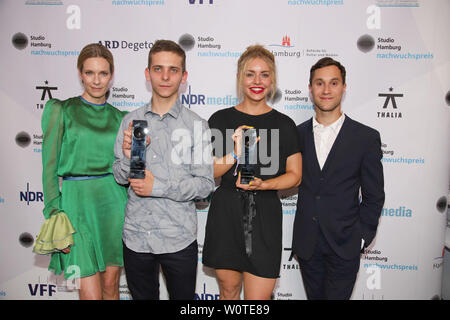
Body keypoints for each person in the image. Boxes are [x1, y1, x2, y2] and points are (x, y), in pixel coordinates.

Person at [113, 39, 215, 300]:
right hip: (137, 237)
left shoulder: (197, 125)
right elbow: (119, 176)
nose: (166, 76)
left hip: (178, 238)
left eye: (173, 70)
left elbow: (205, 184)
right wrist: (127, 157)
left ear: (184, 76)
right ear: (147, 74)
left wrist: (157, 187)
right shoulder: (130, 120)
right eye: (158, 69)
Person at [202, 45, 302, 300]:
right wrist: (235, 153)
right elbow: (209, 170)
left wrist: (263, 185)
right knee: (228, 292)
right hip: (226, 213)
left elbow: (295, 175)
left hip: (265, 213)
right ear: (240, 78)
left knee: (258, 300)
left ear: (273, 80)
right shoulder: (219, 120)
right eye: (250, 74)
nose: (257, 81)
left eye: (264, 74)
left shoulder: (285, 124)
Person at [34, 43, 128, 300]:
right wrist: (54, 212)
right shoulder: (61, 110)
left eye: (103, 73)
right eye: (89, 73)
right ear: (79, 73)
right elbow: (49, 167)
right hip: (76, 206)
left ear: (112, 75)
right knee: (89, 293)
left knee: (111, 285)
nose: (96, 81)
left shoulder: (122, 118)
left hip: (114, 202)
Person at [292, 57, 385, 300]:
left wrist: (362, 236)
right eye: (319, 83)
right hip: (308, 243)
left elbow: (374, 195)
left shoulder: (365, 137)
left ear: (344, 88)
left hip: (345, 243)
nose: (326, 90)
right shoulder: (295, 134)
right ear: (310, 89)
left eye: (333, 83)